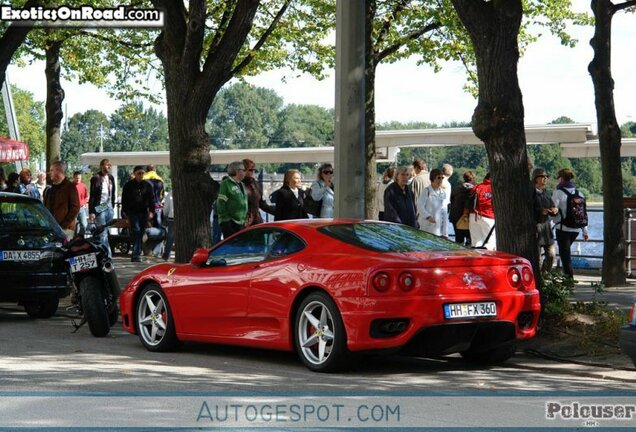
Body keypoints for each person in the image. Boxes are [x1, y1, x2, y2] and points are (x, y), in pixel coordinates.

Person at [552, 168, 589, 278]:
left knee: (565, 257)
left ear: (561, 178)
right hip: (576, 229)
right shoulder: (580, 193)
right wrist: (585, 231)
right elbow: (583, 213)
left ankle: (569, 281)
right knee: (566, 254)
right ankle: (568, 279)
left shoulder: (558, 193)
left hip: (563, 229)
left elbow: (553, 210)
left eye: (558, 178)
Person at [121, 165, 154, 262]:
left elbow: (151, 200)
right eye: (139, 173)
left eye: (142, 173)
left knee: (140, 232)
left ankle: (137, 252)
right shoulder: (128, 185)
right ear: (134, 174)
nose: (141, 175)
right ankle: (135, 255)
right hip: (133, 212)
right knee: (136, 231)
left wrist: (151, 211)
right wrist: (126, 212)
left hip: (144, 212)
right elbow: (124, 200)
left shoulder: (147, 186)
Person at [43, 161, 80, 240]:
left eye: (52, 170)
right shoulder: (49, 188)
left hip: (66, 229)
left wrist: (63, 225)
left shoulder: (70, 187)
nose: (49, 173)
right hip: (51, 228)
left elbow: (75, 208)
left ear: (58, 171)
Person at [89, 159, 116, 257]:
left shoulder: (111, 177)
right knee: (102, 234)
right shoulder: (96, 178)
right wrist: (91, 211)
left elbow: (113, 193)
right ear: (101, 166)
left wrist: (112, 206)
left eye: (110, 165)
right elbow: (92, 196)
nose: (109, 167)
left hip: (108, 207)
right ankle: (107, 256)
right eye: (107, 165)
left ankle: (100, 253)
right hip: (100, 207)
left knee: (105, 233)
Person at [533, 168, 558, 273]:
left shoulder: (547, 192)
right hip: (535, 226)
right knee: (537, 257)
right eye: (542, 176)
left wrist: (554, 209)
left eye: (546, 177)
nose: (545, 178)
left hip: (546, 227)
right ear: (536, 178)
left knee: (551, 255)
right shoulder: (531, 192)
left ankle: (545, 274)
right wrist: (539, 211)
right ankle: (539, 277)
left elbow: (552, 205)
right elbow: (526, 209)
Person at [216, 161, 248, 238]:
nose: (245, 172)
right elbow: (221, 203)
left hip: (241, 222)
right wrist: (226, 221)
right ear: (237, 171)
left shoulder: (242, 184)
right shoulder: (225, 184)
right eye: (243, 170)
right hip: (230, 223)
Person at [241, 158, 274, 226]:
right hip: (243, 222)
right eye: (250, 170)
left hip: (257, 220)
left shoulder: (256, 184)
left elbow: (261, 204)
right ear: (243, 170)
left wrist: (277, 211)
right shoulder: (238, 185)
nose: (252, 172)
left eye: (254, 170)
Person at [469, 172, 496, 250]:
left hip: (474, 216)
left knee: (476, 243)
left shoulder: (477, 187)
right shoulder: (495, 188)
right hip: (489, 216)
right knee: (491, 243)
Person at [417, 169, 448, 236]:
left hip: (438, 229)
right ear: (433, 178)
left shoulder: (443, 193)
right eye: (438, 178)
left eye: (442, 178)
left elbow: (445, 212)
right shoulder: (426, 191)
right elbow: (420, 206)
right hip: (427, 226)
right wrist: (428, 217)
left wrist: (445, 232)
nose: (441, 180)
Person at [449, 170, 475, 246]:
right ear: (473, 178)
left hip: (455, 216)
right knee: (470, 240)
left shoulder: (456, 188)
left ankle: (457, 255)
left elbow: (451, 200)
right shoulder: (475, 189)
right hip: (467, 217)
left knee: (458, 240)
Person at [72, 171, 89, 236]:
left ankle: (81, 237)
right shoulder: (70, 186)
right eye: (76, 178)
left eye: (79, 178)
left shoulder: (83, 186)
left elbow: (85, 196)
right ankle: (73, 238)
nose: (78, 179)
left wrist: (84, 204)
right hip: (72, 208)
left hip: (81, 207)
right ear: (73, 178)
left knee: (84, 224)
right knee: (73, 225)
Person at [161, 190, 174, 260]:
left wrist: (165, 215)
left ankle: (166, 254)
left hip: (172, 217)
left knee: (170, 237)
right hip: (182, 217)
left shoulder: (170, 193)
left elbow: (166, 208)